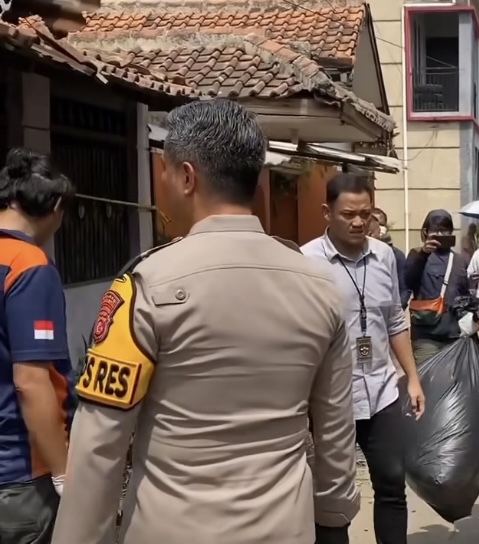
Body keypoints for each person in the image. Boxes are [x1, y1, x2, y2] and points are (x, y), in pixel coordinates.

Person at [52, 100, 360, 544]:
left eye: (165, 170)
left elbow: (100, 439)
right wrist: (332, 516)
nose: (162, 182)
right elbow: (334, 425)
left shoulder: (146, 285)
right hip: (285, 527)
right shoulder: (320, 285)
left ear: (187, 176)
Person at [303, 173, 424, 544]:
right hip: (331, 396)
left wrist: (412, 378)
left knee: (391, 482)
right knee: (332, 494)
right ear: (327, 212)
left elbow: (394, 320)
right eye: (348, 214)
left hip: (382, 389)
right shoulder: (307, 261)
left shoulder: (385, 255)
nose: (358, 222)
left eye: (366, 214)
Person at [0, 148, 74, 544]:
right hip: (19, 476)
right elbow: (31, 381)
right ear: (57, 207)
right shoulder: (28, 265)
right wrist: (64, 472)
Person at [405, 210, 472, 363]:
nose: (440, 234)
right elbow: (408, 282)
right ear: (426, 232)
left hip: (454, 333)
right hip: (426, 334)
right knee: (428, 380)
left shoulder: (460, 260)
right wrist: (424, 254)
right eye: (436, 230)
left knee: (451, 383)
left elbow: (466, 293)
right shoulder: (416, 255)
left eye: (445, 230)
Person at [371, 207, 409, 309]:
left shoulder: (396, 255)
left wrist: (398, 309)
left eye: (382, 224)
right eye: (375, 223)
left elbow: (404, 288)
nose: (379, 228)